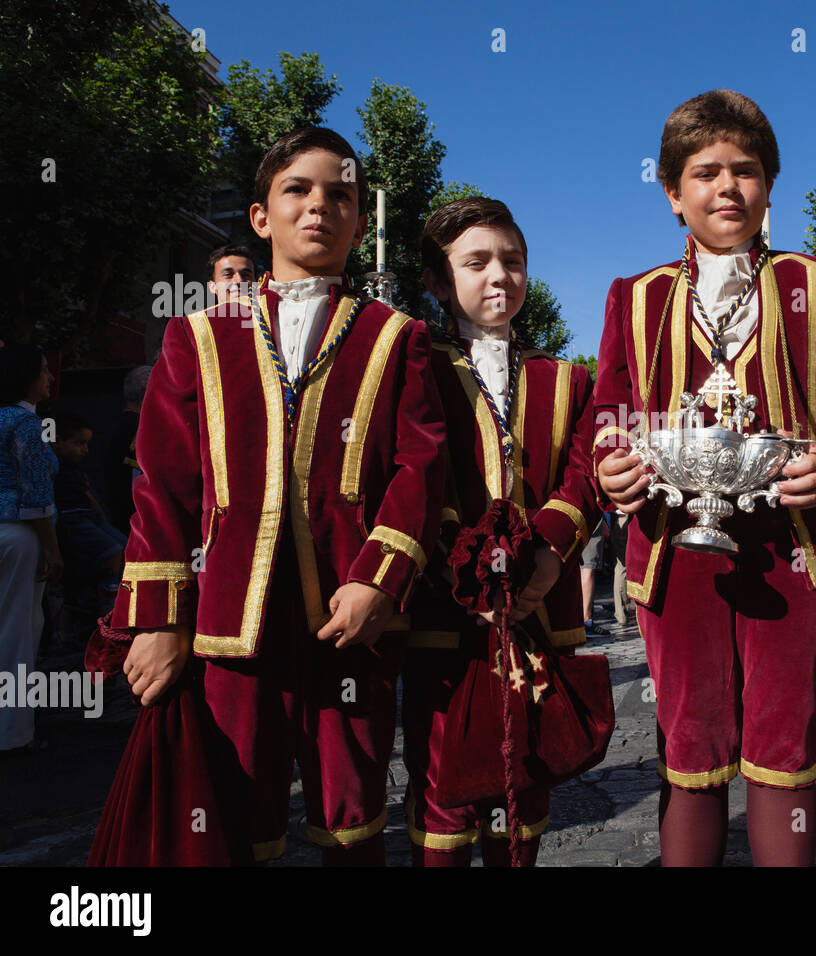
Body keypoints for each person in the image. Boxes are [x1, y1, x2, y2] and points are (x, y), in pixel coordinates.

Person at [108, 127, 446, 865]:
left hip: (349, 619)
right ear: (262, 217)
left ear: (360, 221)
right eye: (298, 189)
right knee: (233, 810)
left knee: (352, 812)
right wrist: (160, 622)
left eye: (341, 195)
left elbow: (420, 468)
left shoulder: (398, 336)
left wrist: (379, 581)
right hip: (231, 622)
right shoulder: (197, 336)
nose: (318, 206)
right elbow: (162, 487)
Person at [594, 90, 816, 866]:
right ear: (672, 194)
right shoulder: (635, 297)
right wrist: (616, 467)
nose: (726, 188)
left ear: (769, 185)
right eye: (705, 173)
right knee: (689, 744)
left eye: (746, 170)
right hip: (671, 545)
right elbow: (608, 409)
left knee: (782, 743)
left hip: (794, 547)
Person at [402, 197, 600, 866]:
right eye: (476, 262)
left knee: (527, 786)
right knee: (446, 784)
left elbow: (586, 474)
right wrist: (464, 559)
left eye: (513, 262)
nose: (499, 278)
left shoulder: (564, 378)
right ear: (436, 280)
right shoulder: (413, 364)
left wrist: (545, 550)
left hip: (539, 608)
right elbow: (408, 473)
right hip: (444, 609)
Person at [0, 345, 60, 754]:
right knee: (18, 632)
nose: (49, 379)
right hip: (19, 536)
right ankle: (14, 732)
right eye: (42, 371)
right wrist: (53, 551)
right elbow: (35, 493)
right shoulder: (25, 422)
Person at [52, 409, 126, 615]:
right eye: (78, 443)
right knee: (112, 552)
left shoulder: (76, 470)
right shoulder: (53, 468)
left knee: (127, 548)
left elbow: (89, 497)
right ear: (56, 442)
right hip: (73, 519)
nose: (85, 450)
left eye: (86, 444)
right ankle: (107, 607)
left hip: (91, 518)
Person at [106, 365, 150, 536]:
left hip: (117, 513)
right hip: (135, 521)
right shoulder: (139, 428)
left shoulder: (116, 422)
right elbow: (139, 477)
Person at [206, 243, 258, 308]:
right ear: (212, 286)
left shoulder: (270, 317)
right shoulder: (198, 318)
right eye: (228, 275)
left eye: (246, 275)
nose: (239, 280)